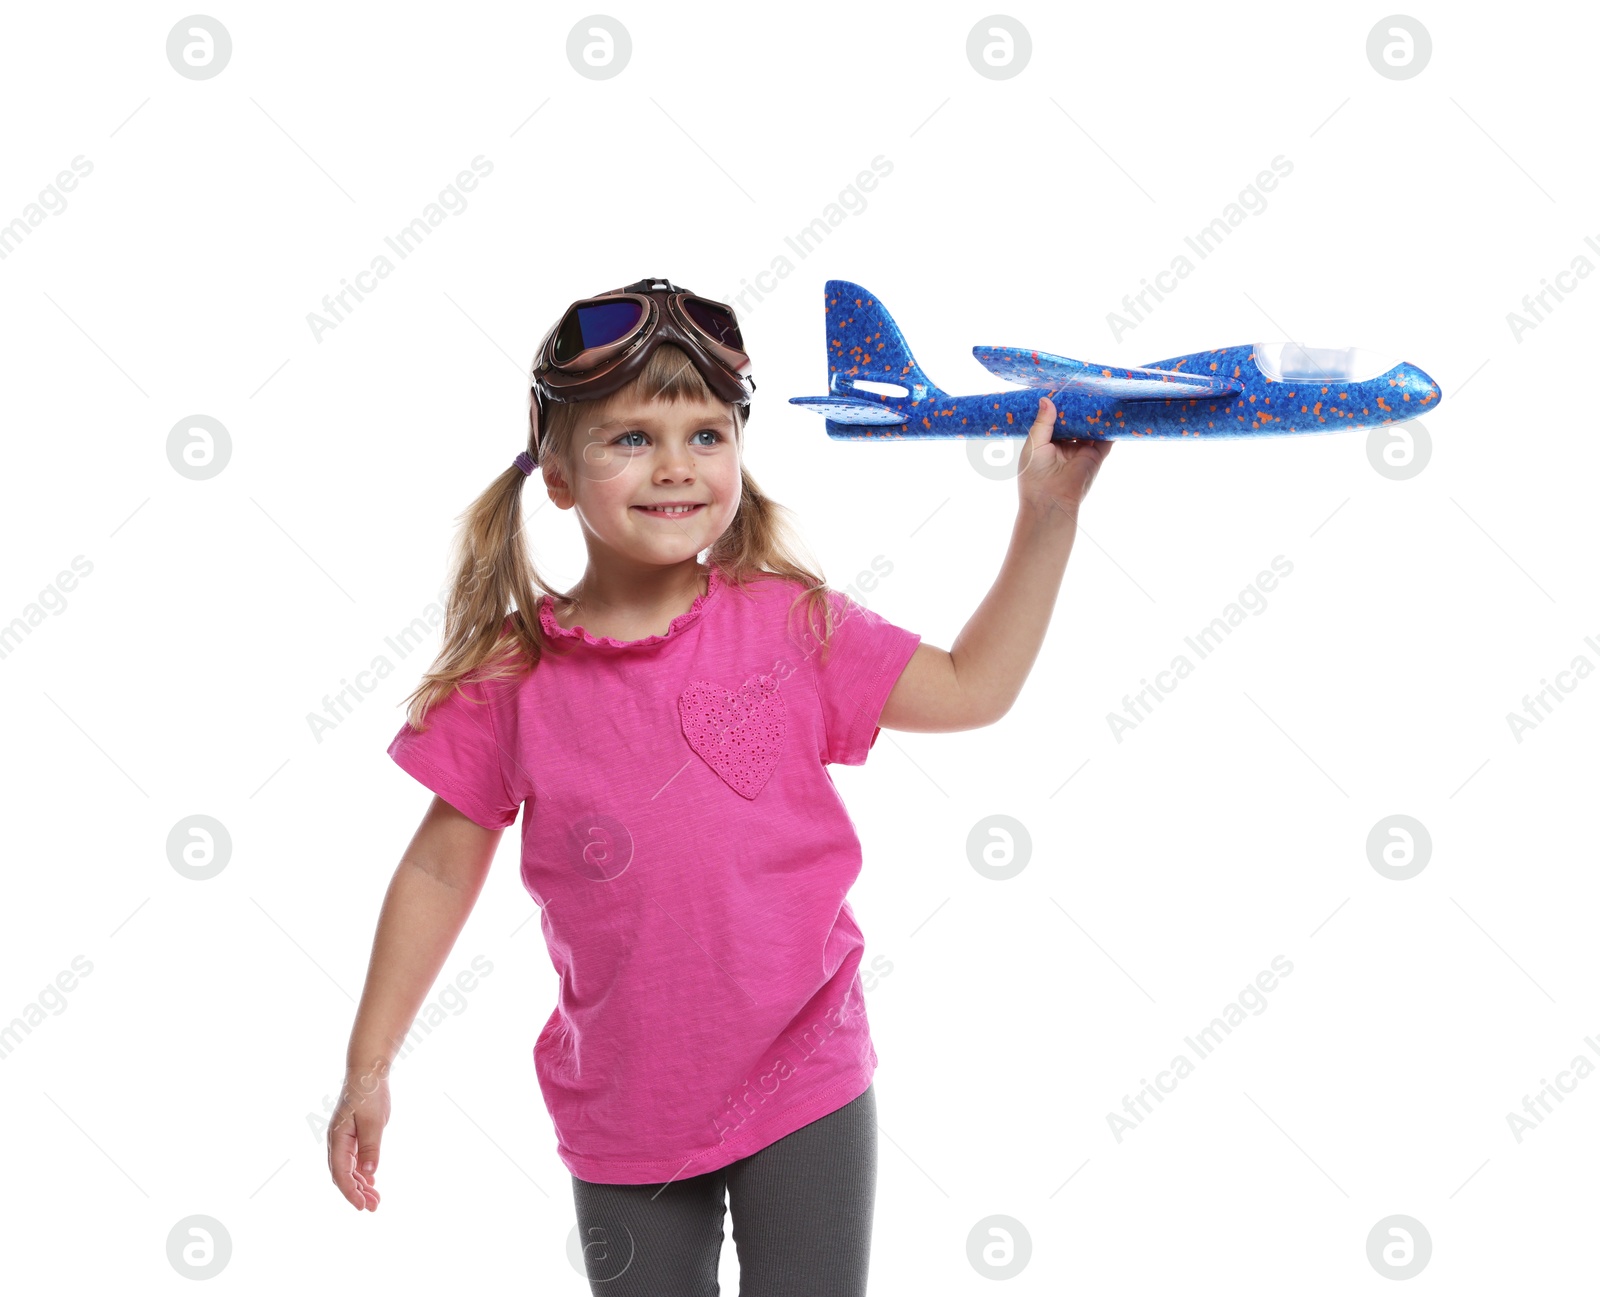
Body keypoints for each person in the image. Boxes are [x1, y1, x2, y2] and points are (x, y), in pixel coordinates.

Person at [326, 277, 1111, 1295]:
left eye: (706, 435)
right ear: (557, 473)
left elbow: (972, 687)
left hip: (807, 1080)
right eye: (630, 439)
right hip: (622, 1106)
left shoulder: (792, 625)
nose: (675, 468)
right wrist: (368, 1065)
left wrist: (1046, 517)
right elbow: (436, 870)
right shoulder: (510, 681)